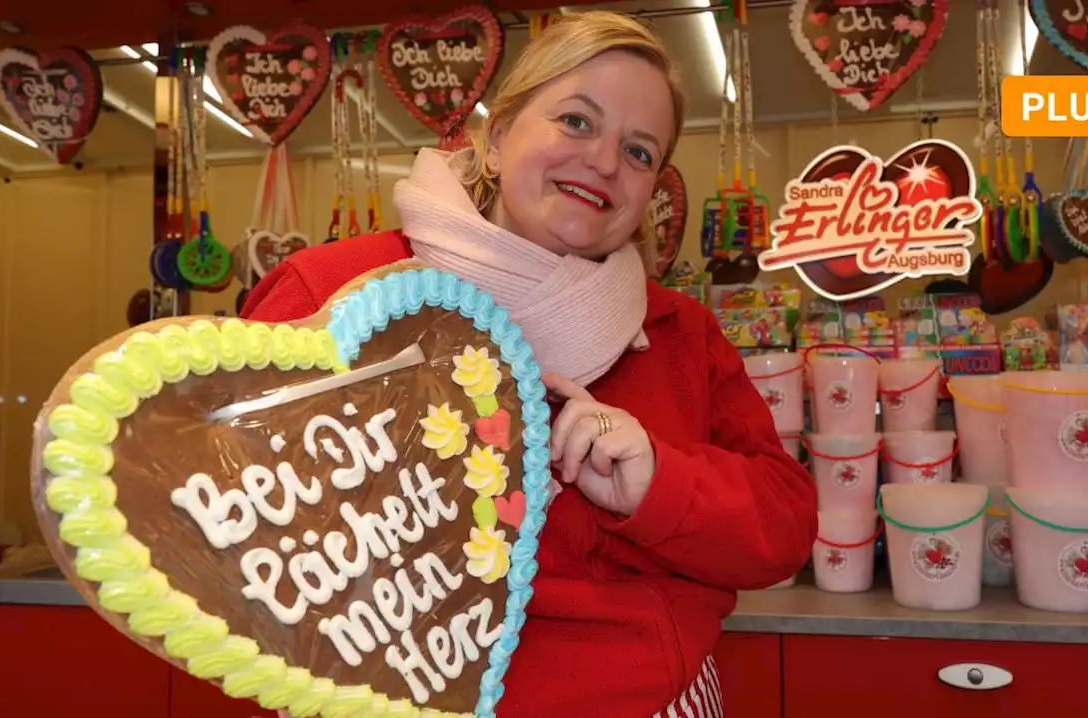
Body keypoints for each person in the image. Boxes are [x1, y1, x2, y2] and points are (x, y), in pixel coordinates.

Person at [243, 11, 816, 717]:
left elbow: (782, 530)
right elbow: (225, 534)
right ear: (499, 135)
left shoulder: (677, 335)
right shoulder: (333, 296)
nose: (605, 163)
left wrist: (658, 484)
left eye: (639, 152)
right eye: (577, 121)